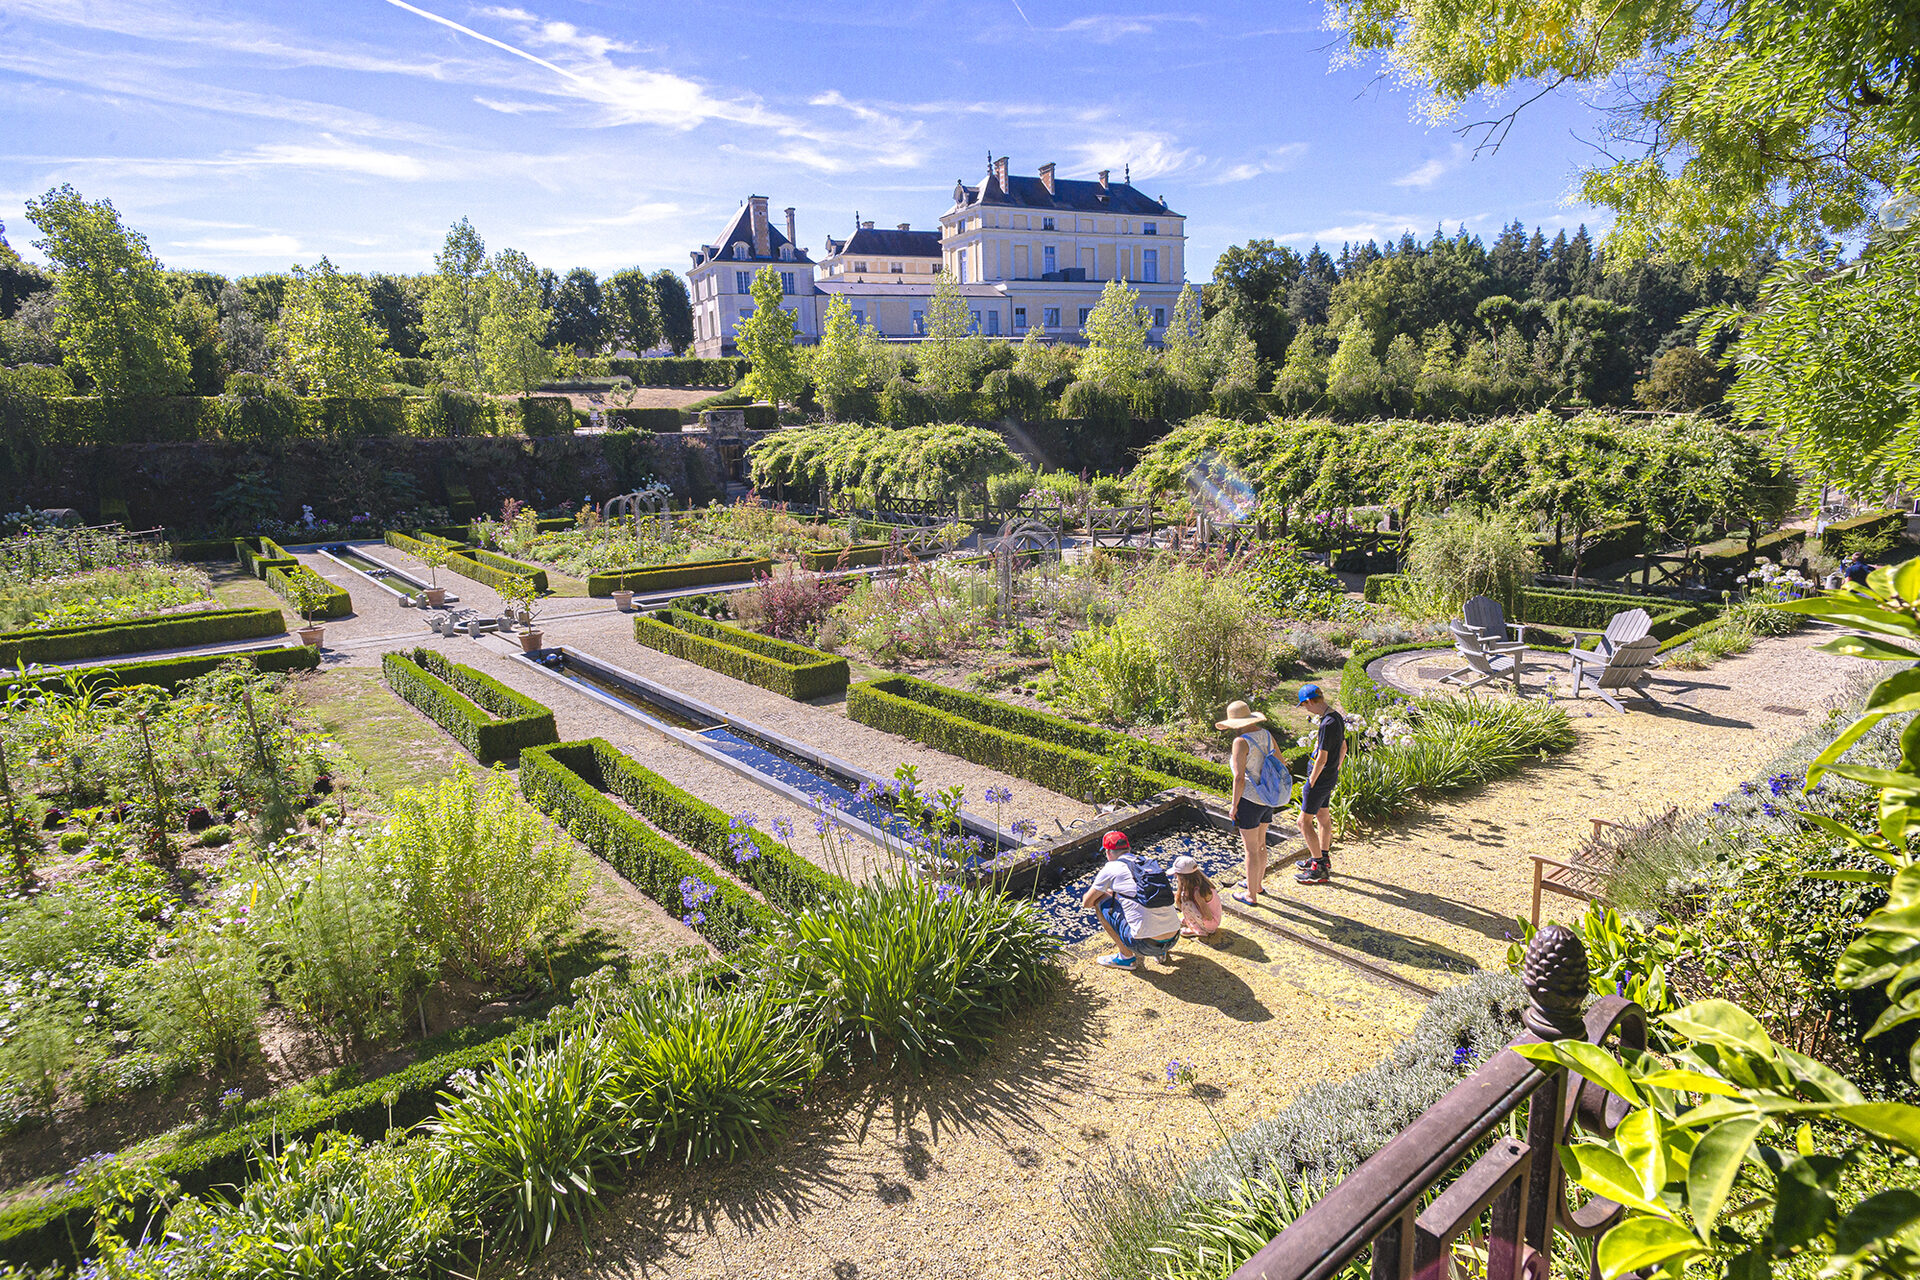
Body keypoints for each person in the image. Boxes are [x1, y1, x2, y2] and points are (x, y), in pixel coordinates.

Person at [1218, 700, 1289, 906]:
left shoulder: (1241, 742)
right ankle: (1256, 884)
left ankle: (1251, 895)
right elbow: (1282, 763)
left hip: (1249, 799)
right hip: (1267, 798)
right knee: (1260, 844)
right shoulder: (1266, 735)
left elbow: (1239, 778)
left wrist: (1234, 805)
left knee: (1249, 849)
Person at [1083, 830, 1181, 970]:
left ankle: (1126, 958)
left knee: (1100, 900)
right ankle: (1160, 953)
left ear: (1108, 852)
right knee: (1140, 900)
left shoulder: (1111, 867)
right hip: (1173, 938)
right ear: (1129, 848)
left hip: (1144, 945)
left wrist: (1104, 892)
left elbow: (1087, 903)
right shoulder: (1147, 862)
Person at [1295, 684, 1347, 885]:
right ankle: (1323, 857)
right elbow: (1343, 747)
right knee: (1323, 817)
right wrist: (1337, 769)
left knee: (1303, 822)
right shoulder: (1337, 717)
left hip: (1320, 779)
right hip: (1329, 776)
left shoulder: (1327, 724)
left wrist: (1311, 781)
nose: (1306, 709)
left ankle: (1318, 868)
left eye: (1305, 705)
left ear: (1309, 701)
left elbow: (1322, 758)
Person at [1172, 854, 1222, 940]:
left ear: (1182, 877)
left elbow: (1208, 916)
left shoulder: (1198, 893)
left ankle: (1199, 930)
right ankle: (1192, 921)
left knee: (1187, 902)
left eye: (1176, 875)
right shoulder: (1200, 883)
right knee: (1184, 897)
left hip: (1211, 923)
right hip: (1214, 919)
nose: (1175, 877)